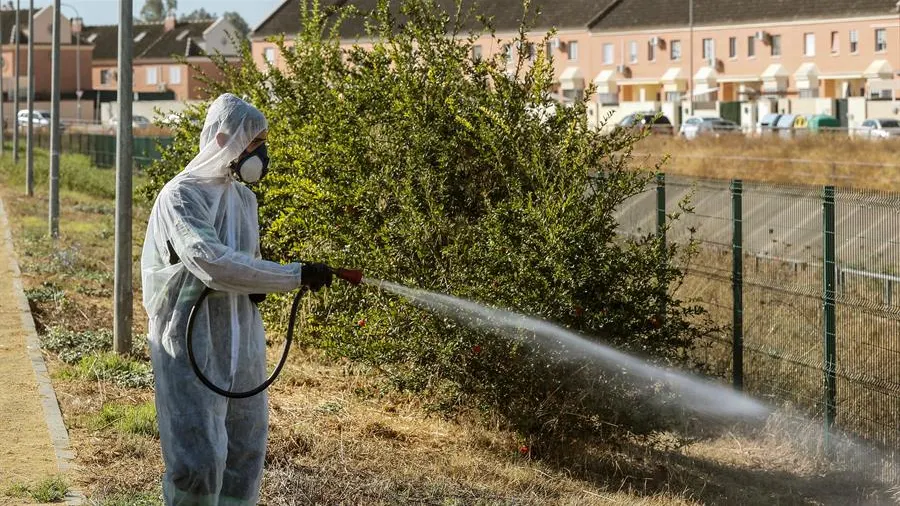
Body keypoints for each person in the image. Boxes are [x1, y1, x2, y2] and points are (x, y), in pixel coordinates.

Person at [141, 93, 332, 505]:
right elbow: (211, 261)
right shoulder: (181, 196)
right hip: (191, 343)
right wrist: (292, 275)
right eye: (254, 142)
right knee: (200, 460)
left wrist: (263, 279)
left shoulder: (245, 200)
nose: (260, 153)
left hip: (241, 343)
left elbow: (246, 263)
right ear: (223, 138)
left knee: (245, 451)